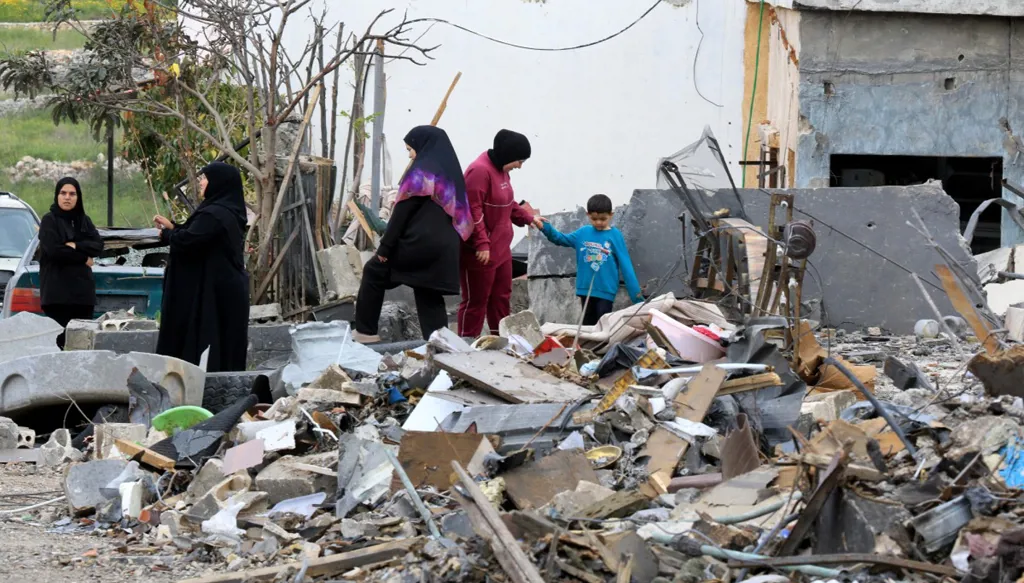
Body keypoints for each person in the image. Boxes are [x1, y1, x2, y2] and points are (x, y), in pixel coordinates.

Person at [352, 126, 473, 343]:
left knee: (374, 271)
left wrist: (385, 248)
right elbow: (462, 216)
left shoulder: (422, 172)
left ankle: (365, 332)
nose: (410, 155)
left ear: (423, 146)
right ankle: (440, 345)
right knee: (428, 291)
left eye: (411, 149)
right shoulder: (451, 174)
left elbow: (401, 214)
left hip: (419, 245)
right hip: (445, 249)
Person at [152, 162, 249, 373]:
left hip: (217, 292)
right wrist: (174, 227)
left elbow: (189, 240)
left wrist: (169, 235)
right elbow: (197, 234)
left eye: (205, 178)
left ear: (219, 182)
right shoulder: (226, 210)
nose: (202, 182)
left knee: (210, 343)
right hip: (224, 290)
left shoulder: (215, 214)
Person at [458, 129, 542, 336]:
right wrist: (482, 243)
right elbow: (472, 209)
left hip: (501, 248)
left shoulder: (503, 170)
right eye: (519, 161)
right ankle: (465, 347)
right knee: (476, 301)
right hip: (480, 252)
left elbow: (506, 203)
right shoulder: (479, 171)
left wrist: (528, 218)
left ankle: (501, 341)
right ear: (508, 155)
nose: (520, 166)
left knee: (501, 297)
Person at [538, 194, 643, 325]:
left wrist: (637, 298)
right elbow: (561, 239)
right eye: (594, 219)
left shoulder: (615, 236)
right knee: (586, 327)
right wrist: (545, 227)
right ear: (588, 215)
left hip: (606, 291)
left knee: (603, 326)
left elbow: (626, 266)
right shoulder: (583, 233)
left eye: (603, 219)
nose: (598, 222)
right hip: (585, 290)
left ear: (611, 215)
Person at [38, 177, 103, 349]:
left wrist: (75, 245)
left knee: (81, 349)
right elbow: (55, 251)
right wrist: (83, 257)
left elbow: (98, 246)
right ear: (57, 195)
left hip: (82, 297)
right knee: (59, 347)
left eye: (72, 194)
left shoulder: (84, 221)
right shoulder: (49, 221)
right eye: (63, 193)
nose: (67, 197)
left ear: (78, 197)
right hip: (57, 297)